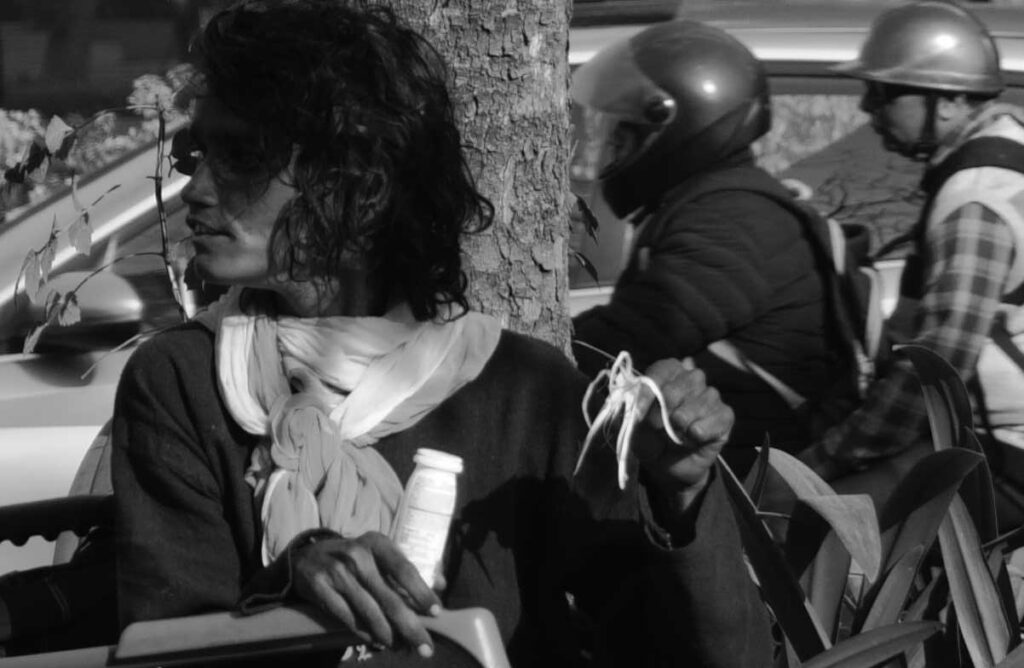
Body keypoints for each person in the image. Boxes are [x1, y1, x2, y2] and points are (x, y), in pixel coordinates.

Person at [108, 1, 773, 666]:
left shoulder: (519, 391)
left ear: (358, 184)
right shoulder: (185, 380)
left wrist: (680, 495)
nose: (196, 189)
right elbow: (170, 641)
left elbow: (707, 656)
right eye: (197, 154)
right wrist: (292, 582)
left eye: (240, 155)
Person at [569, 19, 844, 464]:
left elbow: (625, 341)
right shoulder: (715, 202)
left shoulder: (735, 222)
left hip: (748, 486)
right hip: (718, 467)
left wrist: (510, 353)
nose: (612, 152)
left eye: (625, 138)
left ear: (677, 127)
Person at [800, 0, 1024, 488]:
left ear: (947, 101)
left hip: (1003, 446)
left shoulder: (975, 199)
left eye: (883, 93)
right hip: (991, 435)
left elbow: (942, 361)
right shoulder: (1008, 149)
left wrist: (831, 458)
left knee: (813, 516)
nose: (867, 108)